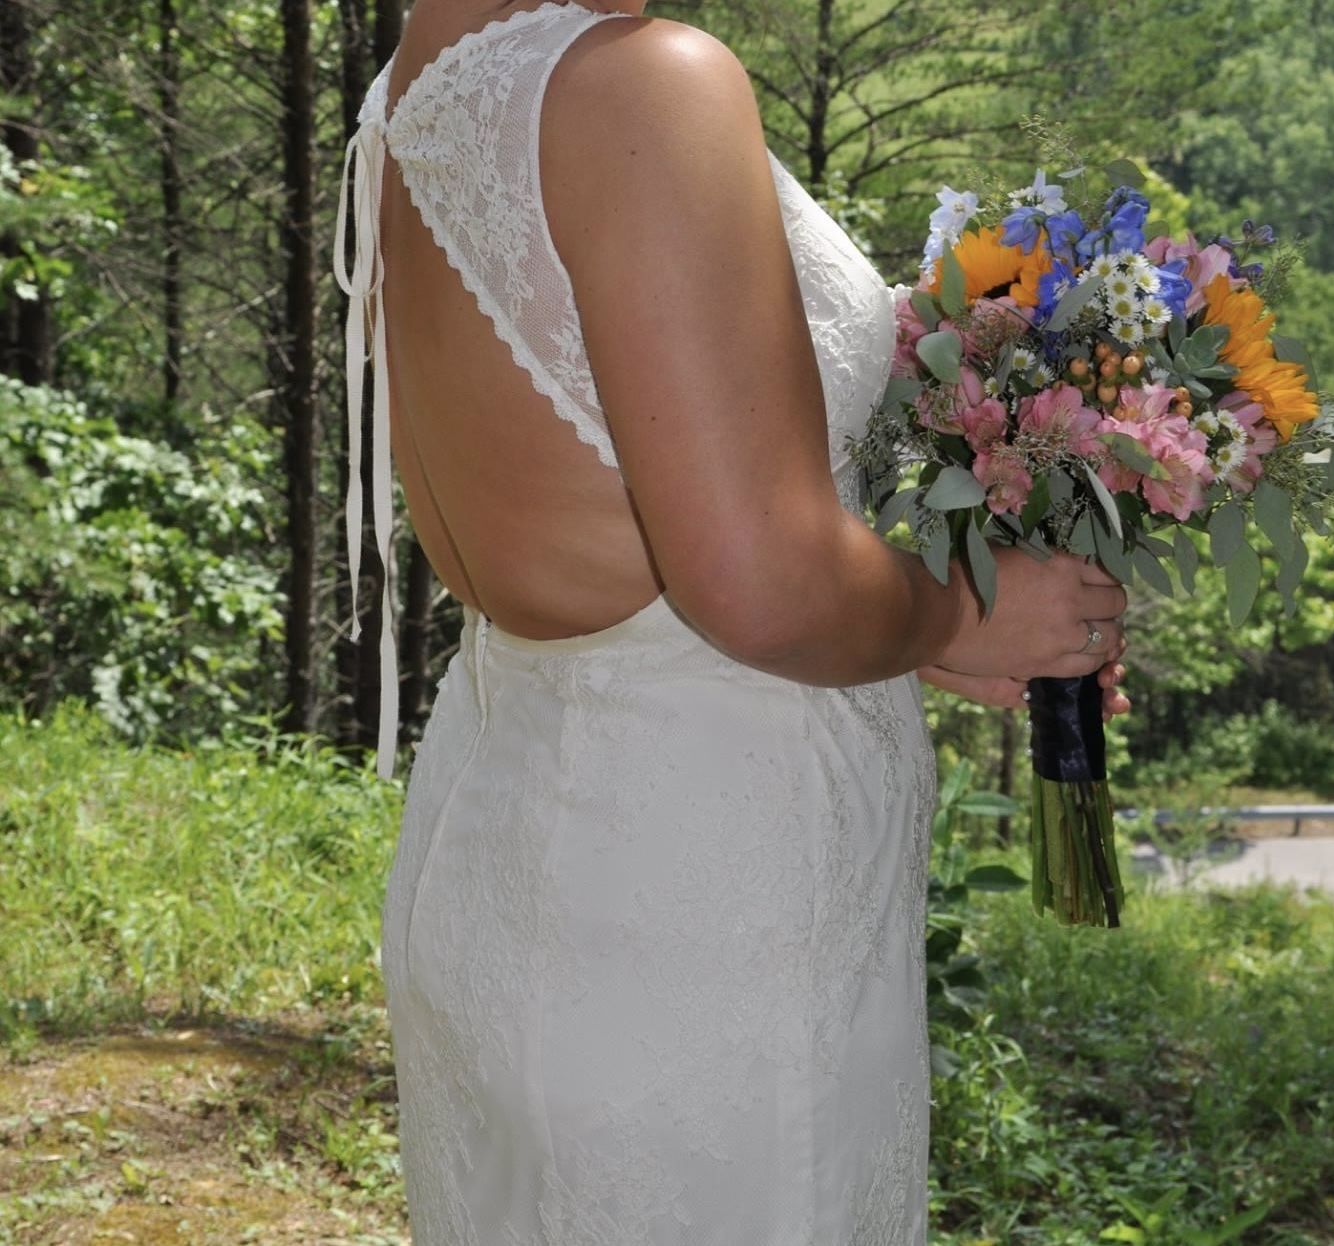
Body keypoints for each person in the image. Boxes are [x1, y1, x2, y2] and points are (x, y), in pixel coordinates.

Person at [333, 0, 1130, 1240]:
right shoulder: (640, 85)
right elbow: (754, 581)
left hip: (514, 851)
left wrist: (911, 610)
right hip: (701, 923)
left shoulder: (420, 80)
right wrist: (948, 612)